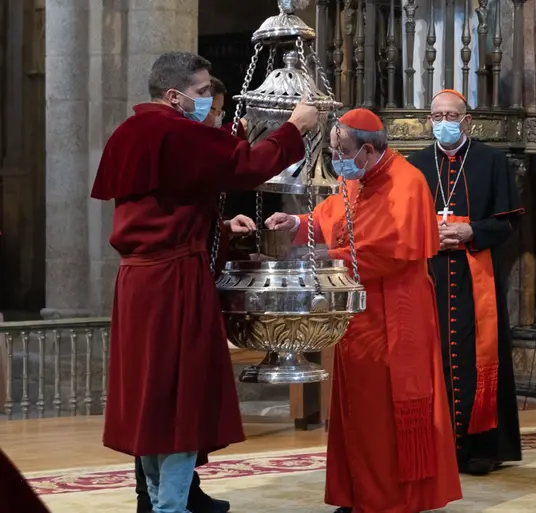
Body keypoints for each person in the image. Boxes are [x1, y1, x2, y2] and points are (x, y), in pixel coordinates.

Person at [90, 51, 318, 513]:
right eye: (200, 93)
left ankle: (157, 501)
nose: (207, 102)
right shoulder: (174, 129)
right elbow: (249, 166)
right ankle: (171, 507)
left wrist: (214, 227)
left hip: (137, 282)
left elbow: (169, 203)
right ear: (173, 96)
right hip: (174, 282)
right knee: (180, 398)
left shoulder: (130, 131)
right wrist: (296, 127)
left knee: (151, 398)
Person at [265, 108, 462, 513]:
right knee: (357, 409)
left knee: (385, 412)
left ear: (369, 150)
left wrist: (328, 255)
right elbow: (336, 218)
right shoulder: (356, 175)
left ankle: (390, 499)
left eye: (342, 151)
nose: (338, 160)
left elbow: (388, 253)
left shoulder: (407, 184)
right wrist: (298, 224)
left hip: (397, 311)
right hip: (359, 313)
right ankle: (356, 494)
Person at [406, 89, 523, 475]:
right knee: (431, 359)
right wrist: (429, 234)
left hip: (476, 278)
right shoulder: (415, 165)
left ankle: (481, 449)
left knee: (477, 358)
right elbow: (401, 223)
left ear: (467, 121)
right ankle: (433, 445)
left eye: (451, 116)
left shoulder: (491, 161)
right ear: (428, 120)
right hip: (430, 278)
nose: (444, 123)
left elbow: (508, 222)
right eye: (437, 116)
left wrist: (472, 230)